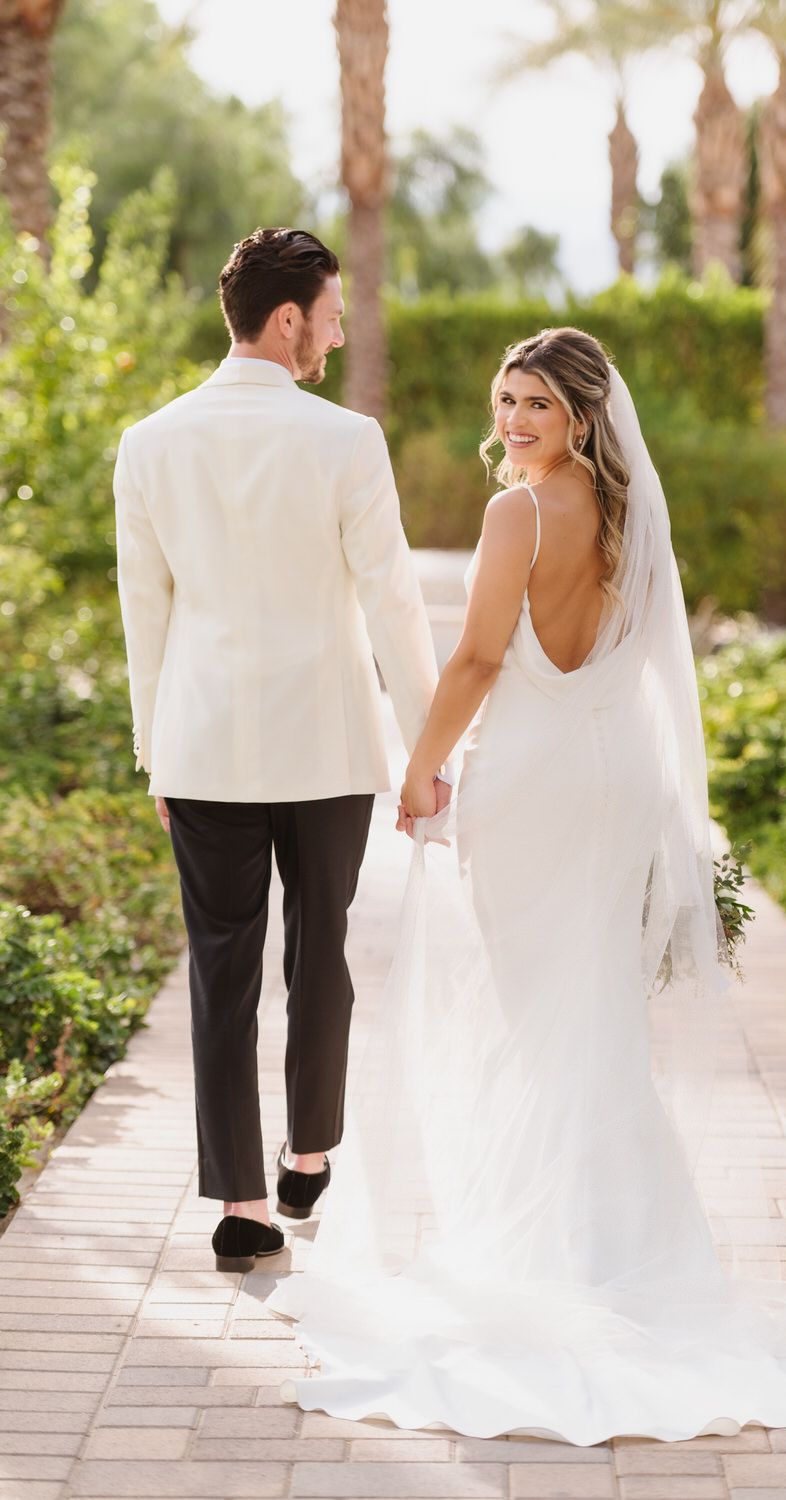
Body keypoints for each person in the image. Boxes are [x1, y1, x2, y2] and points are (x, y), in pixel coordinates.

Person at [267, 327, 786, 1443]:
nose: (514, 421)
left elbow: (480, 661)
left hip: (535, 781)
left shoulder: (517, 513)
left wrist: (421, 767)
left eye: (536, 403)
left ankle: (561, 1251)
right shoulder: (630, 513)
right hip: (615, 779)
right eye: (505, 400)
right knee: (586, 1010)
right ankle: (632, 1249)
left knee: (544, 1014)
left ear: (581, 415)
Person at [114, 227, 449, 1274]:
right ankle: (307, 1152)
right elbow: (392, 603)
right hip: (328, 745)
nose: (338, 334)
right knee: (320, 957)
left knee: (221, 976)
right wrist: (422, 750)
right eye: (331, 315)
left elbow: (144, 615)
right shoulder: (345, 441)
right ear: (289, 317)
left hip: (203, 745)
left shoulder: (149, 441)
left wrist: (151, 750)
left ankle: (245, 1206)